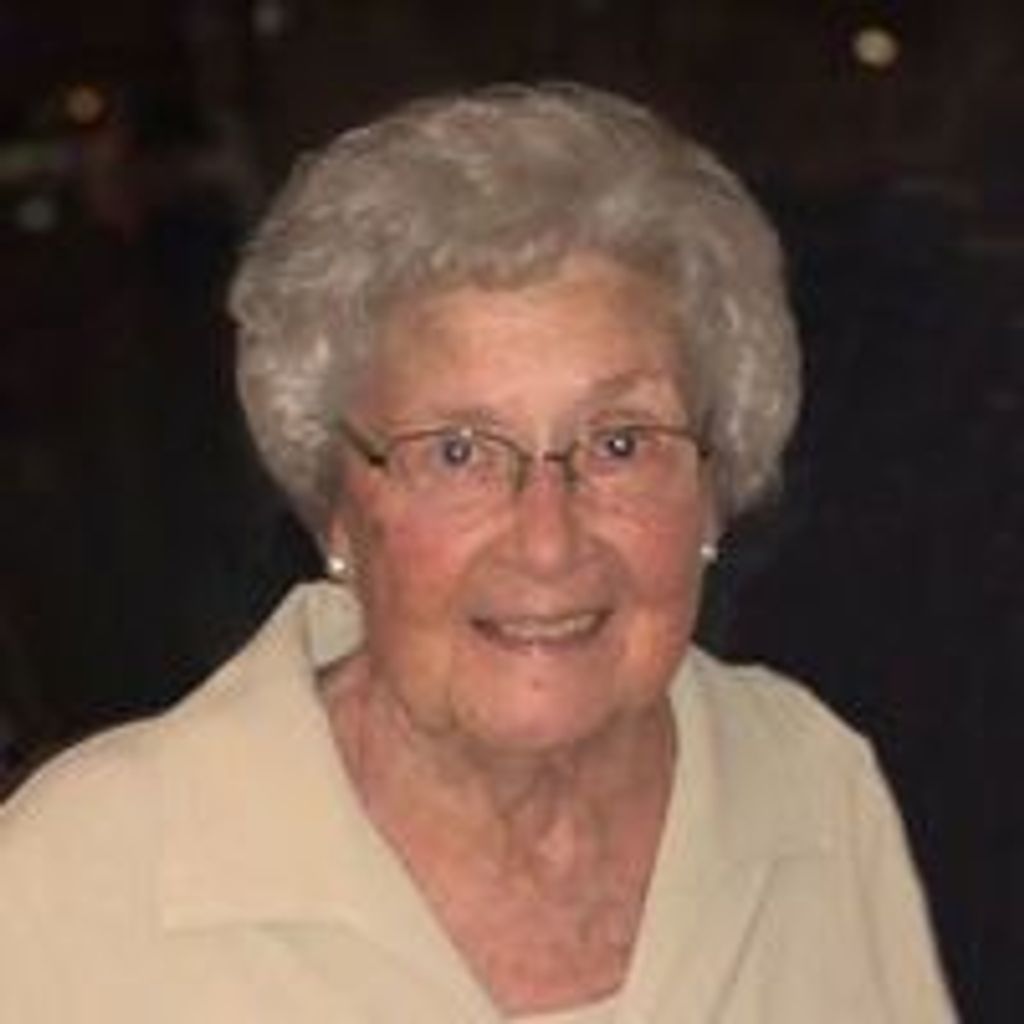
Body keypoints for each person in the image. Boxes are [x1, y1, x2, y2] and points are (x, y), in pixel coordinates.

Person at [0, 83, 954, 1022]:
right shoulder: (80, 881)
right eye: (456, 452)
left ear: (714, 482)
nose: (547, 541)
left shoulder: (809, 784)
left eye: (621, 442)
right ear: (337, 510)